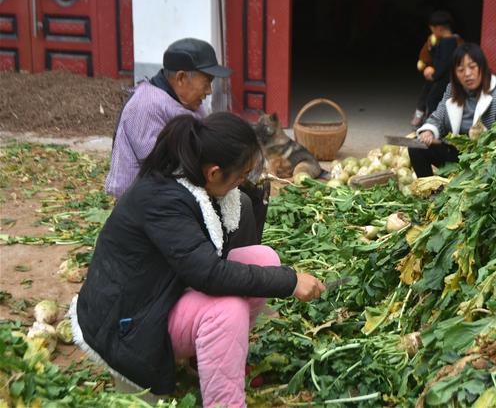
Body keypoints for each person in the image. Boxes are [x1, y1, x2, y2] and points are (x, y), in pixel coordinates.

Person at [70, 112, 326, 407]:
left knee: (263, 258)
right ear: (214, 173)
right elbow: (211, 275)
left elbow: (210, 263)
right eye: (242, 174)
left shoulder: (194, 181)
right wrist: (290, 281)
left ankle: (202, 359)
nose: (244, 181)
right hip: (125, 324)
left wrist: (280, 273)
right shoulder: (164, 200)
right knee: (226, 311)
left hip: (161, 291)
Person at [106, 37, 269, 243]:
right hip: (149, 201)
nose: (209, 91)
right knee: (242, 203)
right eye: (207, 81)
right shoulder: (146, 106)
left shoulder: (191, 103)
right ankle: (228, 267)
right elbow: (162, 168)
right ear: (182, 78)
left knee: (250, 196)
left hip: (183, 186)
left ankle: (240, 263)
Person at [409, 43, 496, 177]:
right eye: (460, 70)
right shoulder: (453, 89)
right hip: (458, 155)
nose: (467, 74)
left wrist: (483, 139)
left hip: (487, 159)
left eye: (472, 67)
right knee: (416, 146)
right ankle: (429, 190)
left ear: (482, 67)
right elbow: (438, 117)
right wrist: (429, 131)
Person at [411, 11, 464, 127]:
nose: (432, 33)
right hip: (444, 78)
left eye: (432, 30)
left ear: (439, 29)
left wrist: (434, 76)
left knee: (433, 100)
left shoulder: (447, 43)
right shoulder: (452, 41)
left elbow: (445, 63)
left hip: (444, 79)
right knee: (434, 98)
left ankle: (432, 125)